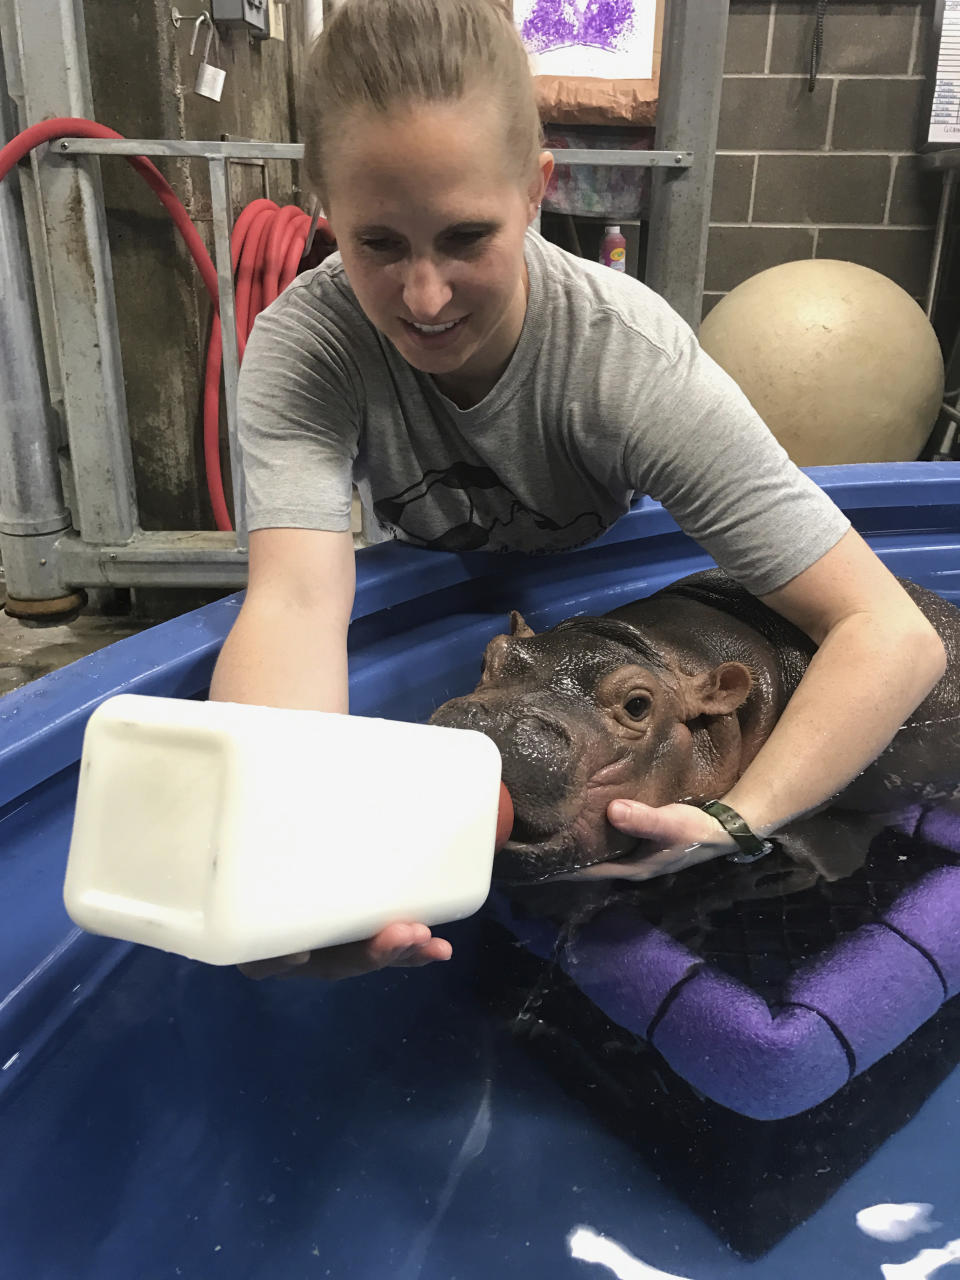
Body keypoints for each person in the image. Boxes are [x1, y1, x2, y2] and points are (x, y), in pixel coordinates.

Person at [209, 0, 945, 980]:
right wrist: (279, 858)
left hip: (603, 591)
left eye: (467, 236)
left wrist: (736, 816)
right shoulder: (306, 345)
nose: (425, 298)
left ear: (536, 190)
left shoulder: (625, 362)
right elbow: (296, 601)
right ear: (325, 207)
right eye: (378, 243)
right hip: (490, 620)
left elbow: (889, 632)